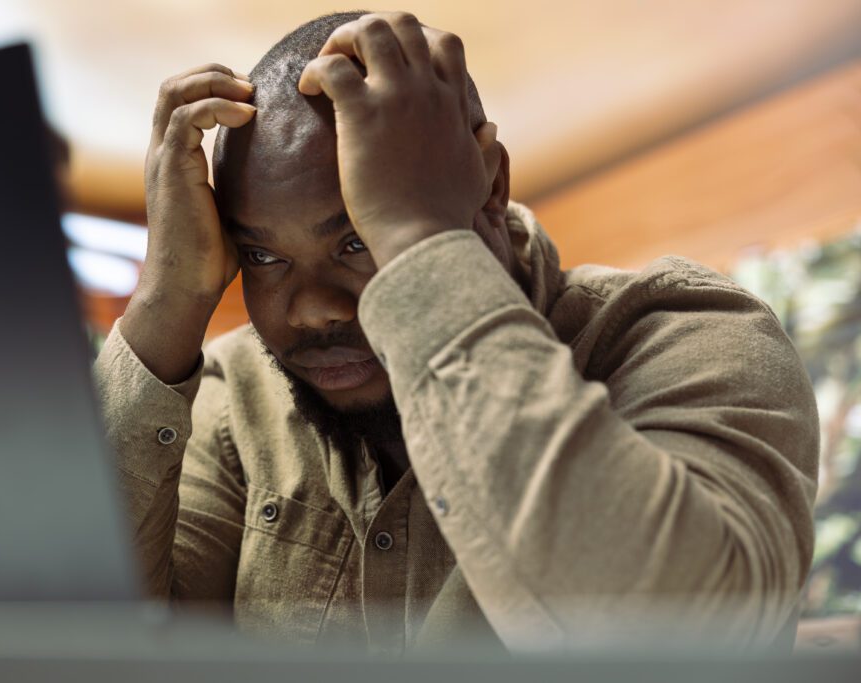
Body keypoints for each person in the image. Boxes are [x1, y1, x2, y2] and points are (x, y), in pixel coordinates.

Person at [93, 11, 819, 653]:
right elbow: (88, 640)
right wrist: (163, 303)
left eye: (356, 239)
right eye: (263, 255)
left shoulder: (688, 334)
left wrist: (415, 237)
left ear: (488, 186)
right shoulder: (235, 389)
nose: (311, 309)